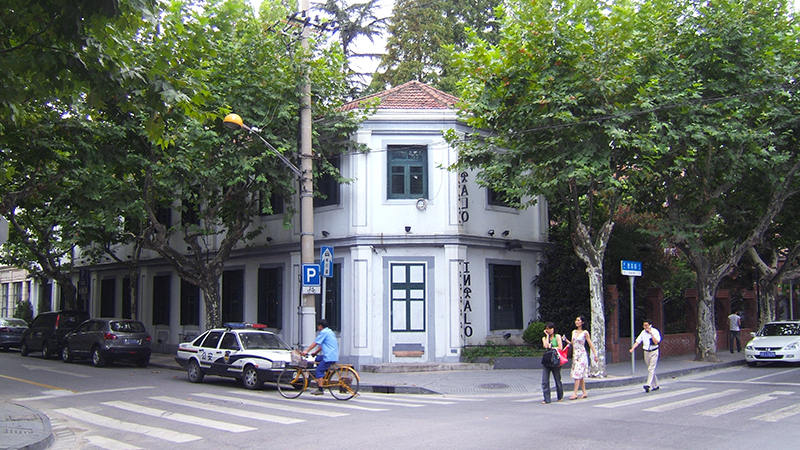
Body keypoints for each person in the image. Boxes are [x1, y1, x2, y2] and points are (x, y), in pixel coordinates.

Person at [301, 319, 339, 395]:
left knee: (318, 370)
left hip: (328, 356)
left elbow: (315, 343)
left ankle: (320, 389)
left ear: (320, 326)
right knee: (317, 359)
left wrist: (306, 351)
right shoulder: (330, 332)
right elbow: (322, 346)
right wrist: (315, 352)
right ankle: (324, 375)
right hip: (333, 355)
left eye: (318, 326)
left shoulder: (323, 332)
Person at [569, 315, 598, 400]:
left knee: (577, 374)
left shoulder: (585, 333)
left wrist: (595, 354)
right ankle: (584, 392)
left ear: (582, 322)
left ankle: (575, 393)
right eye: (576, 320)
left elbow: (590, 344)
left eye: (579, 320)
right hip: (575, 355)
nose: (577, 322)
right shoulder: (573, 332)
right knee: (580, 375)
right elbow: (572, 343)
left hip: (582, 355)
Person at [629, 319, 661, 393]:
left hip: (654, 352)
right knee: (651, 369)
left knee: (651, 369)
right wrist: (632, 348)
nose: (645, 327)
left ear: (650, 325)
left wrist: (651, 334)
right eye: (644, 326)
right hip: (646, 352)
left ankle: (648, 384)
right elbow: (638, 341)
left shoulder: (655, 332)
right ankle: (655, 385)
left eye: (646, 325)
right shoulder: (643, 333)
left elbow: (656, 342)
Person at [541, 322, 566, 404]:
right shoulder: (544, 338)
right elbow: (546, 346)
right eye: (547, 329)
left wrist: (553, 347)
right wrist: (547, 336)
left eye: (550, 329)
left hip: (555, 359)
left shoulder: (557, 336)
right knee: (545, 380)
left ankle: (560, 396)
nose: (549, 330)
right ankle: (547, 398)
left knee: (557, 379)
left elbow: (560, 347)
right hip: (547, 360)